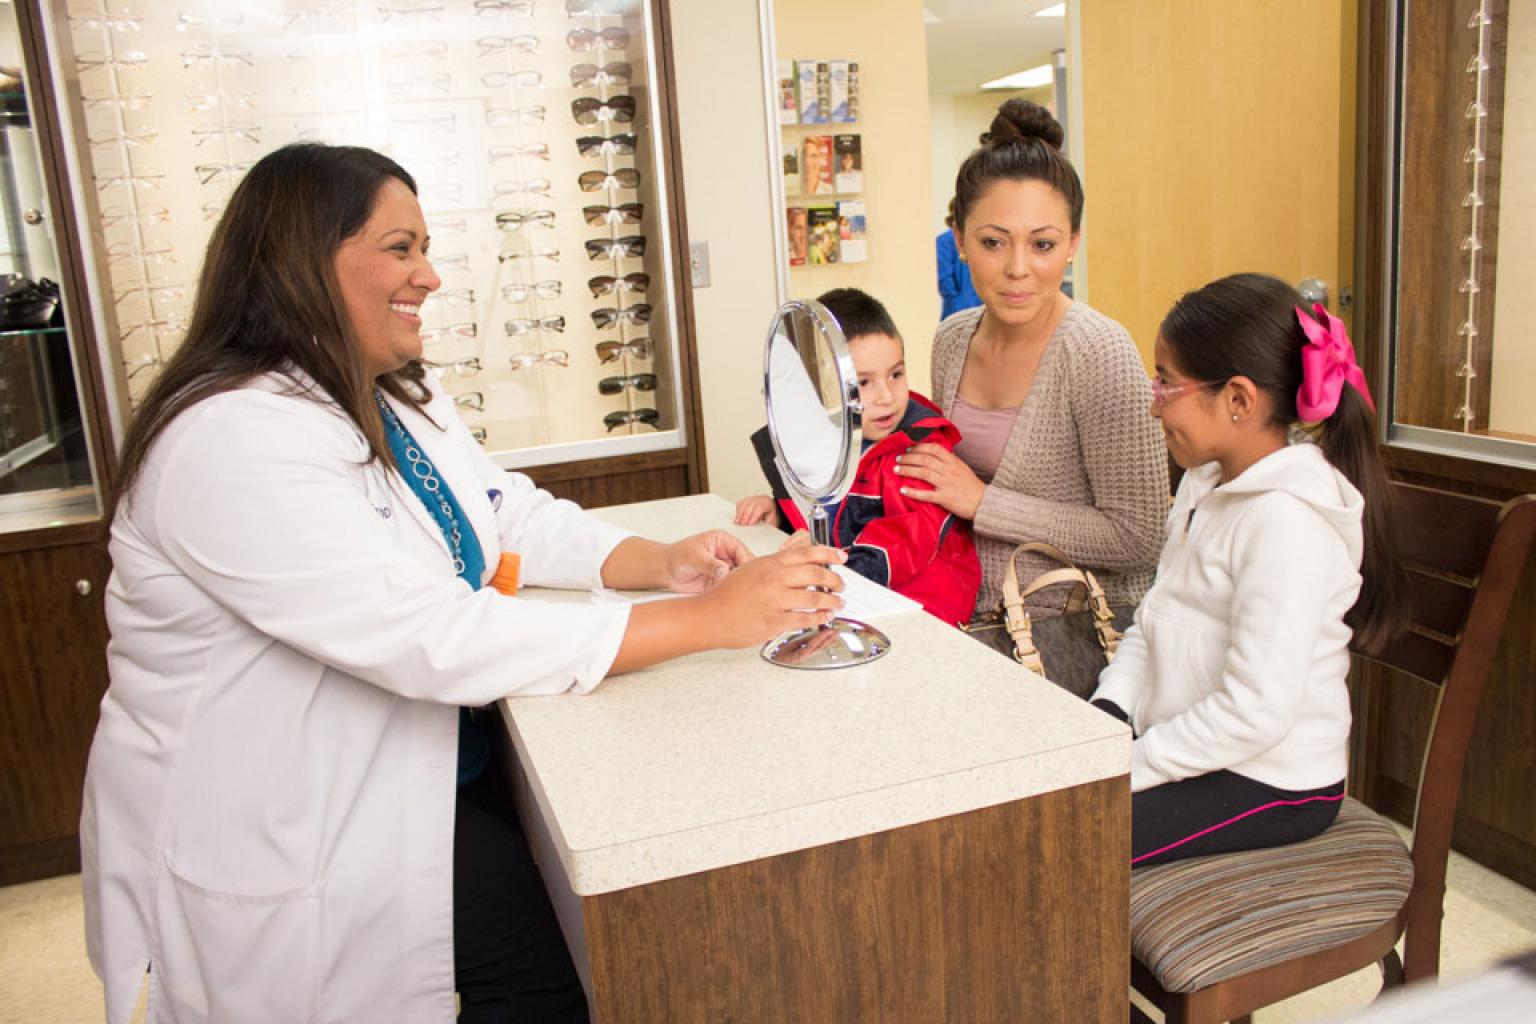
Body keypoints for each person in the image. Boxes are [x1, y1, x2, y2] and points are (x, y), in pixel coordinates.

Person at [80, 143, 847, 1024]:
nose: (431, 276)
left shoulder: (391, 394)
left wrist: (657, 562)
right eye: (401, 248)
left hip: (415, 766)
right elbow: (425, 633)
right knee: (535, 986)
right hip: (284, 820)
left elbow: (501, 513)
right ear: (302, 262)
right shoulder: (231, 437)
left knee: (540, 959)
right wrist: (704, 620)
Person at [1090, 273, 1407, 866]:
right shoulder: (1203, 484)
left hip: (1271, 779)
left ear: (1238, 399)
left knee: (1071, 839)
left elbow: (1255, 711)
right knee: (1043, 809)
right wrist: (1110, 713)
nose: (1153, 400)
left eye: (1165, 382)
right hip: (1197, 747)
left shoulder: (1285, 521)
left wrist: (1132, 763)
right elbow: (1153, 624)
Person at [896, 99, 1168, 622]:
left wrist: (984, 503)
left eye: (1042, 244)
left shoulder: (1096, 351)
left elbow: (1140, 538)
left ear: (1073, 244)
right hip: (967, 619)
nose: (1018, 269)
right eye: (994, 243)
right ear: (959, 242)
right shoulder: (952, 340)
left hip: (1072, 637)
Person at [735, 288, 981, 626]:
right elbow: (835, 511)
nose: (886, 397)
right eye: (862, 383)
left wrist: (834, 555)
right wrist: (779, 512)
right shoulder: (827, 442)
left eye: (896, 375)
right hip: (859, 599)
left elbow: (908, 538)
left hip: (926, 611)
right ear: (820, 385)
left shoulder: (921, 451)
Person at [935, 198, 980, 319]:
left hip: (957, 310)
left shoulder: (943, 241)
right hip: (977, 309)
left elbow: (944, 279)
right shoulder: (982, 238)